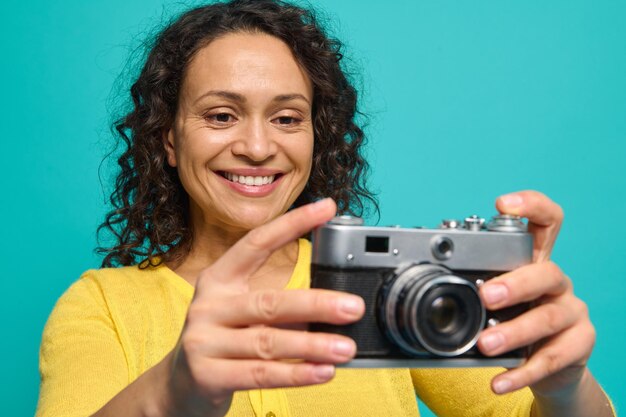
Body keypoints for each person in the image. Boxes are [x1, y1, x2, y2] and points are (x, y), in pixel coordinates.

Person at [36, 1, 615, 416]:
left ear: (318, 137)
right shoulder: (102, 307)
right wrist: (172, 393)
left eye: (287, 118)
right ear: (167, 138)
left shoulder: (383, 288)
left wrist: (563, 386)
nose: (259, 147)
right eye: (220, 115)